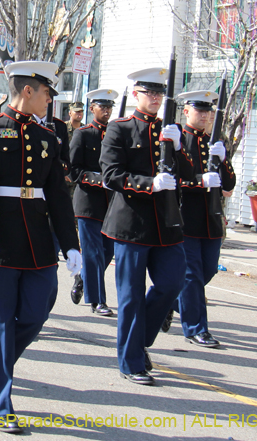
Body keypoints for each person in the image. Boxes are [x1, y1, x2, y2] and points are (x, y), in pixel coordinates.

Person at [0, 61, 82, 432]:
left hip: (38, 240)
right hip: (0, 239)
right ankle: (0, 401)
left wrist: (71, 244)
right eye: (47, 92)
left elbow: (59, 197)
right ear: (27, 90)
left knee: (37, 309)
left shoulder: (49, 138)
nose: (50, 99)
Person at [100, 66, 193, 386]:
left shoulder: (172, 129)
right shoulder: (120, 129)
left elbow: (187, 174)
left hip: (166, 225)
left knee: (172, 282)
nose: (155, 98)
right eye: (149, 93)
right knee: (130, 296)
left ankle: (138, 342)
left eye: (159, 94)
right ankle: (130, 362)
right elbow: (111, 175)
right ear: (136, 94)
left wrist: (180, 149)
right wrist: (149, 183)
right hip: (131, 224)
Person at [172, 90, 236, 347]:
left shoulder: (214, 142)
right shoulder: (178, 140)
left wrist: (222, 160)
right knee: (192, 275)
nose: (205, 116)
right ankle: (197, 328)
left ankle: (172, 301)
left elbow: (229, 182)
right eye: (199, 111)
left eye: (208, 112)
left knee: (208, 269)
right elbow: (172, 178)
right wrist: (198, 181)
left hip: (211, 219)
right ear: (186, 111)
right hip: (185, 215)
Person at [68, 88, 118, 316]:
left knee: (107, 252)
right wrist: (97, 179)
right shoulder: (84, 134)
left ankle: (82, 277)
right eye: (102, 107)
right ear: (92, 109)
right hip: (88, 203)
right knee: (94, 253)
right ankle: (98, 301)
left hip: (111, 204)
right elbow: (73, 169)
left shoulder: (117, 134)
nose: (106, 111)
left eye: (109, 107)